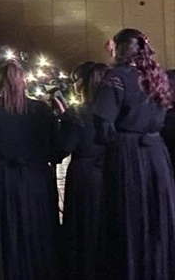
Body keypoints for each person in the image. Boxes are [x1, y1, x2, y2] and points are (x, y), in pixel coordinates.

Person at [92, 28, 175, 280]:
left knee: (129, 219)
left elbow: (102, 124)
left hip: (127, 155)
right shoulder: (157, 75)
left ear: (118, 48)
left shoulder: (116, 77)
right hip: (157, 155)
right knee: (156, 218)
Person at [0, 59, 59, 280]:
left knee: (0, 232)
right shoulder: (41, 109)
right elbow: (55, 148)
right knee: (36, 230)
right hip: (35, 178)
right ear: (24, 80)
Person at [56, 61, 107, 280]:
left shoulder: (77, 113)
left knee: (84, 225)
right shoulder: (112, 110)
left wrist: (62, 119)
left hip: (84, 174)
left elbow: (63, 147)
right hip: (110, 171)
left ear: (82, 83)